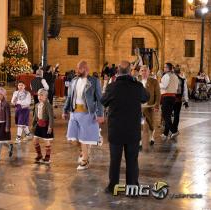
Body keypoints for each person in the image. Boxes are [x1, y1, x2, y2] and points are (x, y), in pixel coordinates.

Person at [101, 60, 149, 194]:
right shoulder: (137, 86)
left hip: (116, 130)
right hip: (132, 130)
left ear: (117, 71)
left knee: (115, 160)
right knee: (132, 160)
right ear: (130, 71)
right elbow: (146, 97)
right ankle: (132, 186)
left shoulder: (112, 87)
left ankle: (113, 187)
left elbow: (103, 101)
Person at [63, 60, 104, 170]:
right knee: (72, 139)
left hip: (87, 113)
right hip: (74, 112)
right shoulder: (73, 81)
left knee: (84, 139)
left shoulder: (94, 81)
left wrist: (100, 114)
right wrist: (65, 110)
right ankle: (86, 149)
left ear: (86, 69)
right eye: (77, 68)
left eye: (79, 68)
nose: (77, 70)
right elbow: (69, 97)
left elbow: (100, 99)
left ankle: (85, 160)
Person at [139, 65, 161, 148]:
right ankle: (140, 141)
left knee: (151, 123)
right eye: (142, 71)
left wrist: (157, 105)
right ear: (140, 72)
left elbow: (158, 94)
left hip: (150, 106)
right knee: (139, 125)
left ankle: (152, 137)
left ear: (148, 72)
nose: (144, 72)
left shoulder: (154, 81)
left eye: (145, 70)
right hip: (139, 107)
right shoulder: (137, 81)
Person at [32, 88, 54, 164]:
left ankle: (47, 157)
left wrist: (50, 127)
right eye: (38, 95)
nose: (39, 96)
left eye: (42, 95)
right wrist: (33, 125)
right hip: (38, 125)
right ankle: (39, 155)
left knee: (46, 141)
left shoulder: (48, 105)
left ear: (46, 97)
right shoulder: (37, 105)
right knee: (35, 140)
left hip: (46, 125)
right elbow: (35, 116)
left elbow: (51, 117)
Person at [160, 63, 179, 140]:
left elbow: (164, 86)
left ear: (168, 68)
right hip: (173, 97)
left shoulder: (166, 75)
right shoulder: (175, 76)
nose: (164, 68)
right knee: (168, 115)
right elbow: (176, 87)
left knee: (165, 116)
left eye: (165, 67)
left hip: (167, 97)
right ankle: (165, 133)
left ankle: (174, 131)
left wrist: (158, 83)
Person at [173, 66, 189, 134]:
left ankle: (172, 129)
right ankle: (174, 128)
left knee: (170, 115)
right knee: (176, 115)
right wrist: (186, 101)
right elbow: (185, 90)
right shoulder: (183, 79)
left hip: (172, 99)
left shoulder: (173, 78)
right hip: (177, 100)